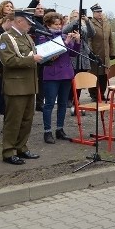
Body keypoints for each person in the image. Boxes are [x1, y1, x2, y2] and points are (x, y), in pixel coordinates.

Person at [0, 11, 43, 165]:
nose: (30, 25)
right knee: (13, 120)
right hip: (16, 85)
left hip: (30, 84)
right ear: (18, 21)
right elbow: (8, 61)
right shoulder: (6, 37)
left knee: (27, 119)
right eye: (28, 22)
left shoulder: (26, 36)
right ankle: (8, 151)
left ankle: (21, 147)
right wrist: (32, 59)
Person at [39, 12, 81, 144]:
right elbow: (51, 55)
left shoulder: (63, 36)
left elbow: (74, 54)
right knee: (49, 104)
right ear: (48, 24)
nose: (58, 27)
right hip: (52, 74)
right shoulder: (43, 37)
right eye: (55, 24)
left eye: (60, 24)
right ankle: (47, 131)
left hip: (66, 74)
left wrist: (77, 41)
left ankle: (60, 129)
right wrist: (67, 42)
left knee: (63, 103)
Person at [62, 9, 96, 114]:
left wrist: (87, 21)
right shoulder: (69, 27)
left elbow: (92, 33)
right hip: (73, 56)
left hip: (83, 56)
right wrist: (75, 21)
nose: (78, 18)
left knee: (80, 79)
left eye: (79, 16)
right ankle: (69, 99)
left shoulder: (83, 28)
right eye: (75, 16)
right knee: (71, 79)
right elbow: (64, 30)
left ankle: (76, 99)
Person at [88, 3, 115, 100]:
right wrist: (90, 53)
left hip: (105, 55)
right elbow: (89, 39)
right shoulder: (90, 23)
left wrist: (113, 52)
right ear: (93, 13)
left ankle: (102, 94)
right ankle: (94, 95)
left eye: (100, 11)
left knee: (104, 75)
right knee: (94, 75)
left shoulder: (106, 23)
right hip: (96, 54)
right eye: (97, 12)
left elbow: (111, 39)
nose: (99, 13)